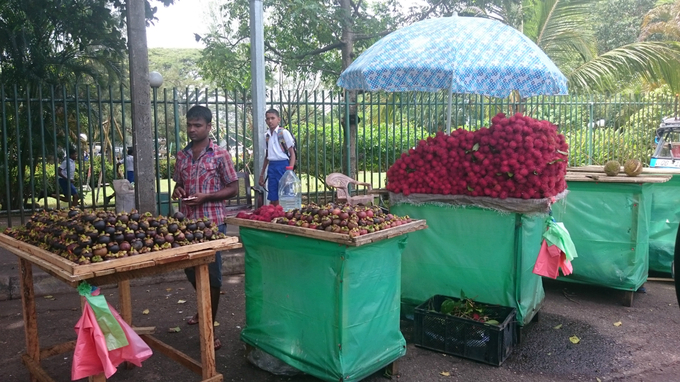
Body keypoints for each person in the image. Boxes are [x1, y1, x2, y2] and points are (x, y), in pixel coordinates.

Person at [172, 105, 239, 351]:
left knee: (212, 276)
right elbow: (177, 185)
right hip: (187, 224)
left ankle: (209, 327)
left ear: (209, 127)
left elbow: (233, 188)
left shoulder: (220, 154)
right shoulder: (182, 156)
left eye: (197, 125)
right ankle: (203, 309)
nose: (192, 129)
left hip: (212, 223)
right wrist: (178, 191)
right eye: (189, 125)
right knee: (190, 271)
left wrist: (206, 197)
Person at [258, 108, 296, 206]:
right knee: (272, 194)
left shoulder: (283, 133)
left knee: (284, 193)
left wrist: (289, 172)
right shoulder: (266, 136)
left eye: (272, 118)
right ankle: (273, 215)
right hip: (272, 167)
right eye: (268, 119)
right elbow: (267, 155)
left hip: (283, 166)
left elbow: (292, 154)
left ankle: (283, 215)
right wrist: (262, 174)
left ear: (278, 119)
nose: (270, 121)